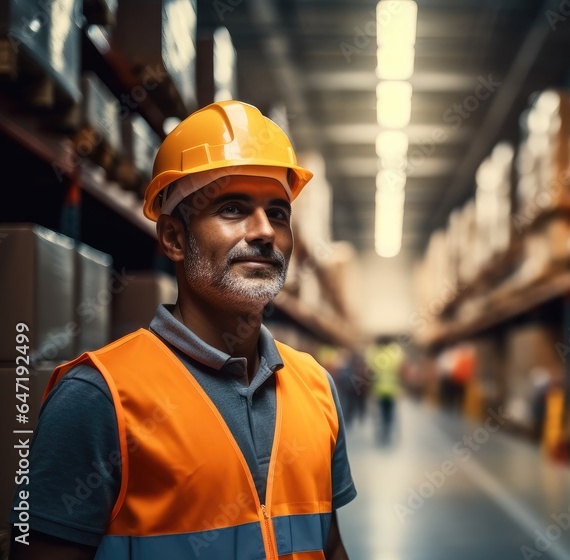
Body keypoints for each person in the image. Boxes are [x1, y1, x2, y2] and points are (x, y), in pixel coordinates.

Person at [7, 101, 356, 559]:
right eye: (233, 208)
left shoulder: (318, 389)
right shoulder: (99, 398)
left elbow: (329, 547)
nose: (265, 231)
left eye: (278, 213)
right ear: (174, 237)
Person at [365, 336, 403, 445]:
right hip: (392, 389)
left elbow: (370, 372)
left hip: (378, 389)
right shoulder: (395, 353)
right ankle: (388, 430)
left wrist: (369, 389)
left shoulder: (374, 354)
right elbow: (399, 371)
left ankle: (382, 432)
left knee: (380, 412)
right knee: (390, 412)